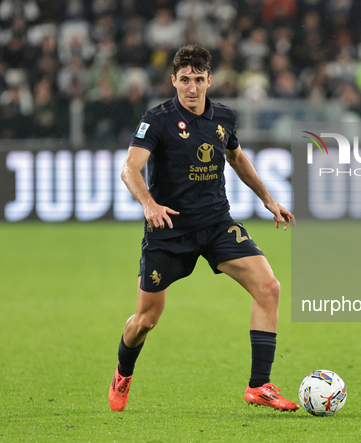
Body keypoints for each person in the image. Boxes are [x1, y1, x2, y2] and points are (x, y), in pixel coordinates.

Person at [108, 44, 298, 412]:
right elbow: (129, 168)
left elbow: (236, 156)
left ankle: (259, 385)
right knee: (145, 321)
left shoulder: (224, 116)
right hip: (169, 231)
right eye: (184, 80)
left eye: (198, 80)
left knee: (268, 287)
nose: (191, 88)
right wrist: (149, 204)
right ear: (173, 81)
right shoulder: (157, 119)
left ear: (209, 80)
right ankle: (123, 371)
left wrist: (268, 199)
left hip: (215, 224)